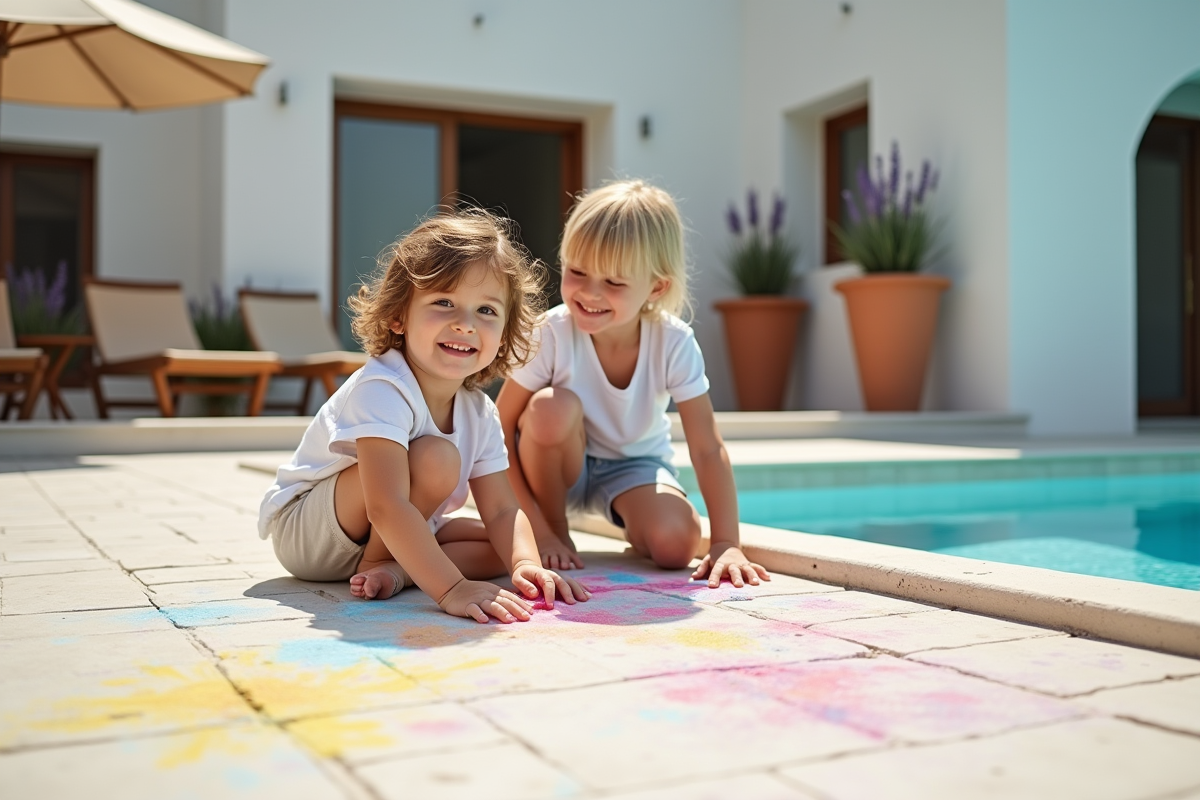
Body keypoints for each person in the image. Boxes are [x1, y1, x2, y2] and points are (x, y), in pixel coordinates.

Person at [258, 208, 588, 623]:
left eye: (486, 311)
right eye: (444, 302)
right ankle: (382, 562)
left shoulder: (478, 411)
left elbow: (504, 509)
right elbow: (386, 505)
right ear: (399, 315)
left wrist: (526, 565)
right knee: (437, 457)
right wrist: (452, 589)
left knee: (498, 548)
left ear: (504, 332)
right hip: (312, 535)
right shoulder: (383, 386)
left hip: (392, 524)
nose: (465, 324)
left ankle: (398, 568)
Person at [496, 180, 770, 588]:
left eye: (614, 283)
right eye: (577, 272)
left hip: (633, 466)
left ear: (655, 287)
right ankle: (556, 526)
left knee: (677, 544)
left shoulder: (673, 341)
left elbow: (708, 447)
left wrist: (727, 541)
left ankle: (633, 522)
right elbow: (497, 431)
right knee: (551, 407)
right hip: (555, 467)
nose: (590, 292)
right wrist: (542, 530)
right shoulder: (551, 333)